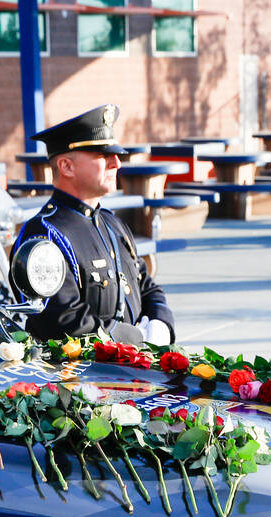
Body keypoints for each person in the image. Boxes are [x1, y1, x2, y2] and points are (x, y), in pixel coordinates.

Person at [15, 104, 174, 345]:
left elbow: (145, 284)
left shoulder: (111, 222)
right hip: (77, 377)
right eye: (103, 155)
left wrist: (159, 322)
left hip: (133, 370)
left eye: (116, 155)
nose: (116, 163)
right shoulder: (45, 232)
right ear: (66, 166)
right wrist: (133, 338)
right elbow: (60, 320)